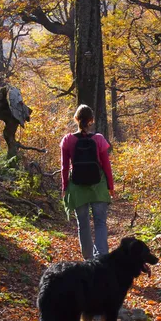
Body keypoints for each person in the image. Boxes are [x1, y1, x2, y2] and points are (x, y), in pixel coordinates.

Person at [60, 104, 115, 259]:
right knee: (100, 223)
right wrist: (110, 186)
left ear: (76, 119)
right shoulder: (99, 139)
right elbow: (106, 165)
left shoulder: (68, 140)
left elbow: (64, 167)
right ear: (91, 120)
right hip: (98, 186)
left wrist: (64, 187)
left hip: (77, 187)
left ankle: (88, 261)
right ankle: (102, 259)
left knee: (83, 224)